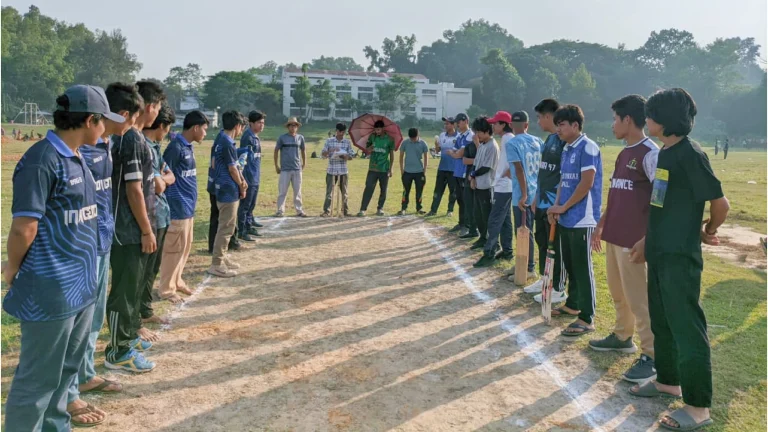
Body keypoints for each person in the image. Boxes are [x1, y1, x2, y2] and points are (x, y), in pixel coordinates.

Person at [4, 85, 125, 429]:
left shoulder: (77, 156)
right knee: (38, 379)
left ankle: (57, 425)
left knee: (66, 371)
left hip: (81, 285)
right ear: (89, 120)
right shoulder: (42, 159)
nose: (105, 129)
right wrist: (13, 268)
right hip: (51, 289)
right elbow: (23, 228)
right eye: (102, 121)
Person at [628, 88, 728, 432]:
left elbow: (720, 204)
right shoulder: (666, 153)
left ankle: (698, 407)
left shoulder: (690, 154)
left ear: (664, 119)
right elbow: (662, 204)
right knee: (663, 322)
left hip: (680, 259)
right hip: (659, 253)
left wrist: (707, 229)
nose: (646, 120)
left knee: (687, 328)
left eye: (651, 114)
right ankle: (667, 381)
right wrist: (647, 239)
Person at [67, 83, 142, 413]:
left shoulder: (109, 146)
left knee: (93, 319)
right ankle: (68, 393)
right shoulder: (81, 150)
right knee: (75, 323)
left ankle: (85, 374)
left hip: (102, 242)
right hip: (82, 247)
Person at [589, 95, 659, 383]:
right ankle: (621, 336)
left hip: (635, 241)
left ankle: (652, 355)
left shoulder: (650, 153)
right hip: (615, 235)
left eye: (615, 119)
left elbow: (660, 201)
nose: (612, 125)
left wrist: (648, 238)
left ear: (628, 120)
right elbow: (618, 191)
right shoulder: (623, 153)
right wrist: (601, 223)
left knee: (639, 299)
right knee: (619, 292)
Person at [106, 80, 165, 372]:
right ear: (150, 107)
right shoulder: (131, 140)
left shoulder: (137, 138)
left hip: (137, 227)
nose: (157, 113)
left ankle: (128, 337)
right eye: (158, 107)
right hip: (127, 230)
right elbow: (134, 190)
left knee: (133, 288)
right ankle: (117, 350)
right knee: (123, 292)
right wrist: (145, 229)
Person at [546, 104, 602, 337]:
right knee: (570, 264)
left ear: (575, 125)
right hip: (566, 216)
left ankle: (587, 317)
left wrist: (565, 207)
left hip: (583, 218)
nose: (558, 129)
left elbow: (585, 183)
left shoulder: (587, 147)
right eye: (557, 125)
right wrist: (556, 207)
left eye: (562, 125)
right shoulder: (567, 148)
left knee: (582, 267)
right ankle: (573, 304)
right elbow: (564, 183)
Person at [160, 110, 209, 303]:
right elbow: (164, 173)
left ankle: (177, 280)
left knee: (184, 247)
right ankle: (165, 289)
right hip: (177, 207)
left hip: (188, 208)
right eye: (204, 129)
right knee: (173, 249)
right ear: (195, 128)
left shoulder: (188, 146)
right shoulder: (175, 147)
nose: (205, 133)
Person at [139, 101, 177, 341]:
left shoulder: (155, 147)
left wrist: (164, 179)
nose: (166, 133)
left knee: (152, 269)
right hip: (149, 216)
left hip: (161, 214)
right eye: (167, 128)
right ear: (161, 125)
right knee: (141, 271)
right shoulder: (142, 146)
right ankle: (136, 317)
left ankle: (145, 309)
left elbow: (170, 176)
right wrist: (163, 180)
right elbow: (158, 183)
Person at [531, 99, 568, 303]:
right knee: (542, 241)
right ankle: (545, 278)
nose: (538, 122)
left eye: (539, 117)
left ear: (548, 116)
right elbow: (543, 172)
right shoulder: (549, 140)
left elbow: (565, 175)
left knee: (556, 246)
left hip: (554, 203)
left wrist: (558, 203)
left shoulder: (563, 141)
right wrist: (537, 196)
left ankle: (558, 287)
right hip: (542, 200)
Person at [500, 112, 541, 279]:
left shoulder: (512, 143)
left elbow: (519, 169)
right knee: (526, 231)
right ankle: (522, 263)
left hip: (522, 194)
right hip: (536, 191)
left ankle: (529, 267)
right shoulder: (538, 141)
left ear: (511, 125)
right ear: (527, 124)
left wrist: (523, 194)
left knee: (524, 231)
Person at [209, 111, 248, 277]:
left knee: (225, 226)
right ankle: (216, 264)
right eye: (241, 128)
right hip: (227, 190)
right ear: (237, 126)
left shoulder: (220, 138)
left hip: (221, 188)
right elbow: (233, 168)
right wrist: (241, 184)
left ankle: (222, 256)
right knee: (226, 227)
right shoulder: (227, 142)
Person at [475, 111, 515, 267]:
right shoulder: (505, 138)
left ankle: (489, 253)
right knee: (505, 220)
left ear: (503, 124)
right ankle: (507, 251)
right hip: (503, 185)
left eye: (496, 123)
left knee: (494, 220)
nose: (493, 126)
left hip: (504, 186)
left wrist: (508, 172)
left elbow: (515, 159)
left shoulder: (507, 139)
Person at [466, 116, 499, 255]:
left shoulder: (492, 146)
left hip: (487, 186)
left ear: (486, 131)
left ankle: (492, 242)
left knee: (487, 216)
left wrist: (473, 175)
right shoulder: (482, 145)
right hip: (478, 185)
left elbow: (486, 167)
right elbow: (476, 163)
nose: (476, 135)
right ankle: (482, 238)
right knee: (478, 214)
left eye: (478, 132)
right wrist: (472, 177)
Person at [446, 113, 476, 237]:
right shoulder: (460, 136)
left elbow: (458, 154)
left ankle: (468, 225)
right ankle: (461, 222)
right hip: (458, 172)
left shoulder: (470, 136)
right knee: (460, 199)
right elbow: (453, 150)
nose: (457, 124)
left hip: (465, 172)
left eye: (459, 121)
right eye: (457, 122)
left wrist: (455, 153)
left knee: (467, 200)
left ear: (466, 121)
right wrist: (455, 153)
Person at [237, 111, 266, 239]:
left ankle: (249, 226)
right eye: (259, 122)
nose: (262, 125)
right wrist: (244, 178)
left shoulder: (255, 136)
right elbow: (243, 159)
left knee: (251, 204)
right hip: (248, 176)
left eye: (263, 123)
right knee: (245, 205)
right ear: (251, 123)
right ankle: (242, 230)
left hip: (255, 175)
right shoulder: (248, 137)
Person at [358, 120, 395, 216]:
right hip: (373, 168)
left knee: (383, 189)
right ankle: (362, 209)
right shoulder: (372, 137)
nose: (377, 131)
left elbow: (391, 155)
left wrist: (391, 169)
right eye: (376, 130)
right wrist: (370, 148)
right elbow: (367, 150)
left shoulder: (390, 139)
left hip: (384, 169)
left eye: (378, 130)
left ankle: (380, 208)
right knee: (369, 188)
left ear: (383, 129)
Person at [274, 117, 307, 217]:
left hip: (297, 168)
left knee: (297, 191)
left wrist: (304, 163)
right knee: (282, 191)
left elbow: (303, 151)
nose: (293, 127)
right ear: (288, 127)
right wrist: (276, 165)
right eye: (291, 125)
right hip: (285, 169)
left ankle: (299, 210)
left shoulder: (300, 138)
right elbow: (276, 151)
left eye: (295, 125)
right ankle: (280, 210)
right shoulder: (282, 138)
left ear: (297, 127)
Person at [426, 117, 459, 218]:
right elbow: (437, 151)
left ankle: (450, 210)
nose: (445, 126)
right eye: (445, 124)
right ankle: (433, 210)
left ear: (453, 125)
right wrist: (436, 145)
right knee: (438, 190)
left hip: (453, 169)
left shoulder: (458, 136)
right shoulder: (442, 135)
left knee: (453, 191)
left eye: (448, 124)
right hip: (442, 168)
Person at [321, 122, 354, 216]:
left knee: (344, 192)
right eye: (339, 131)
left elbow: (351, 156)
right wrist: (331, 151)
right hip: (331, 170)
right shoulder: (329, 141)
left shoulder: (347, 142)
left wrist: (346, 156)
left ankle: (345, 211)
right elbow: (323, 154)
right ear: (336, 131)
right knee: (329, 192)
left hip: (343, 170)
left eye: (343, 132)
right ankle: (326, 211)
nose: (341, 134)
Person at [398, 127, 429, 215]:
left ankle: (419, 208)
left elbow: (426, 157)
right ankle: (403, 208)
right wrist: (402, 170)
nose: (413, 140)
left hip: (419, 172)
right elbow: (401, 157)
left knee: (419, 191)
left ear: (417, 135)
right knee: (405, 191)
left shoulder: (423, 143)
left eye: (414, 138)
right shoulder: (405, 143)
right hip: (407, 172)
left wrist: (424, 170)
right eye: (411, 138)